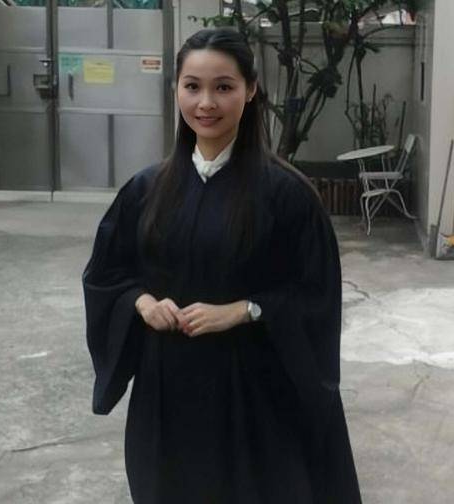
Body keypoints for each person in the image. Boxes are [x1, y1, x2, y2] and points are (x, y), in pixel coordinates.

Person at [83, 28, 362, 504]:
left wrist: (245, 309)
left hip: (254, 393)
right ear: (176, 89)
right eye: (192, 86)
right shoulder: (146, 190)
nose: (206, 103)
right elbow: (108, 274)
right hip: (167, 391)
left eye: (224, 87)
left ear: (250, 90)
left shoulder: (286, 195)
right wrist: (141, 302)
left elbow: (316, 294)